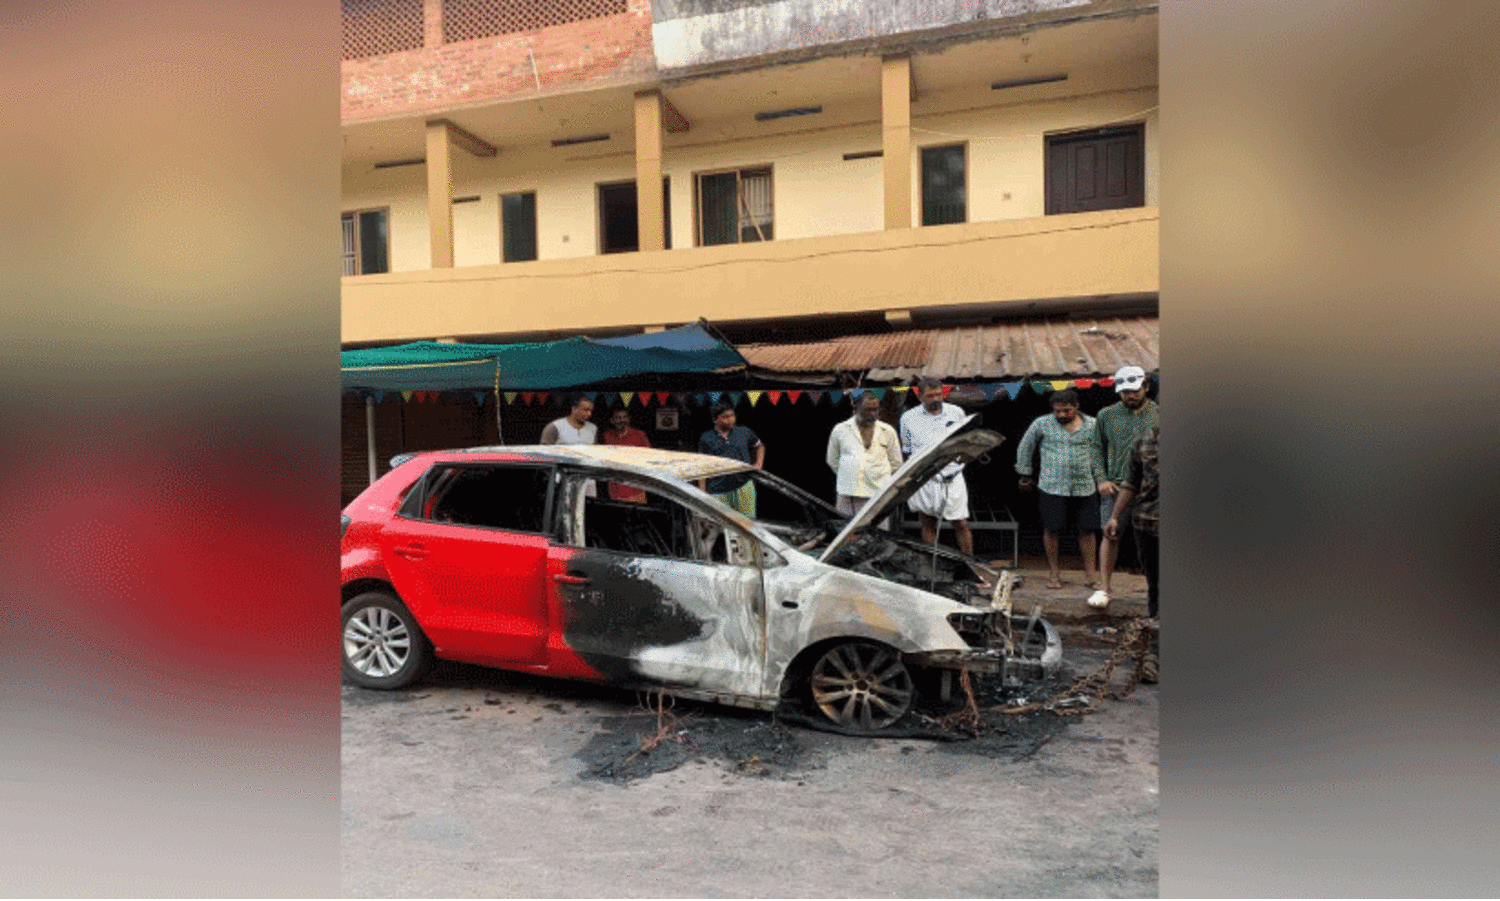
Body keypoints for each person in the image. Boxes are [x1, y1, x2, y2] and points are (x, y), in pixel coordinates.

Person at [1015, 388, 1105, 590]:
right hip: (1051, 485)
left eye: (1066, 411)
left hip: (1085, 485)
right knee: (1052, 529)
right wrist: (1025, 474)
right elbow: (1025, 447)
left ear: (1076, 407)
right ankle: (1054, 573)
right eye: (1058, 411)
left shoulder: (1093, 425)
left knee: (1087, 530)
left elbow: (1101, 452)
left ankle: (1091, 575)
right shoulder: (1042, 423)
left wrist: (1103, 479)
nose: (1061, 415)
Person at [1088, 366, 1160, 609]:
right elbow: (1096, 448)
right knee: (1110, 533)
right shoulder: (1106, 415)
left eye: (1134, 391)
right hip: (1117, 486)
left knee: (1153, 541)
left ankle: (1155, 593)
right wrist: (1100, 479)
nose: (1129, 396)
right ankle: (1105, 588)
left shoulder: (1159, 413)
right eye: (1124, 392)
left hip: (1152, 491)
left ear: (1146, 387)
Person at [1106, 425, 1159, 682]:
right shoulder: (1143, 441)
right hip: (1148, 525)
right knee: (1157, 589)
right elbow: (1132, 482)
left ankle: (1155, 654)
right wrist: (1115, 517)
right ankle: (1156, 649)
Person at [899, 377, 973, 556]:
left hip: (953, 475)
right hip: (925, 477)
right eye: (930, 395)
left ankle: (970, 567)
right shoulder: (908, 418)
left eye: (939, 394)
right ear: (920, 397)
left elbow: (966, 442)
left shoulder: (956, 412)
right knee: (927, 522)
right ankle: (932, 568)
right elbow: (907, 451)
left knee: (961, 523)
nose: (936, 399)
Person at [826, 391, 904, 528]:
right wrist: (852, 475)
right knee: (846, 536)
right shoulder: (840, 430)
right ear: (856, 407)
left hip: (878, 496)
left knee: (879, 538)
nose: (873, 414)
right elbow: (832, 461)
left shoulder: (888, 431)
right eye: (868, 409)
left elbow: (896, 464)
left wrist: (878, 480)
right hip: (848, 495)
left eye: (876, 409)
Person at [697, 403, 765, 517]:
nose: (731, 419)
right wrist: (702, 493)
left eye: (732, 415)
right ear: (715, 419)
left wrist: (758, 464)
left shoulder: (743, 432)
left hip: (743, 487)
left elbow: (759, 446)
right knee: (721, 526)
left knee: (747, 525)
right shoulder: (706, 438)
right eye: (725, 417)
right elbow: (702, 466)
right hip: (718, 490)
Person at [601, 407, 651, 503]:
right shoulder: (607, 436)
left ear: (629, 419)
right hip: (615, 486)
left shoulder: (639, 435)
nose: (622, 420)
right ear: (612, 420)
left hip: (636, 485)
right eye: (618, 418)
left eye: (624, 417)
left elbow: (649, 457)